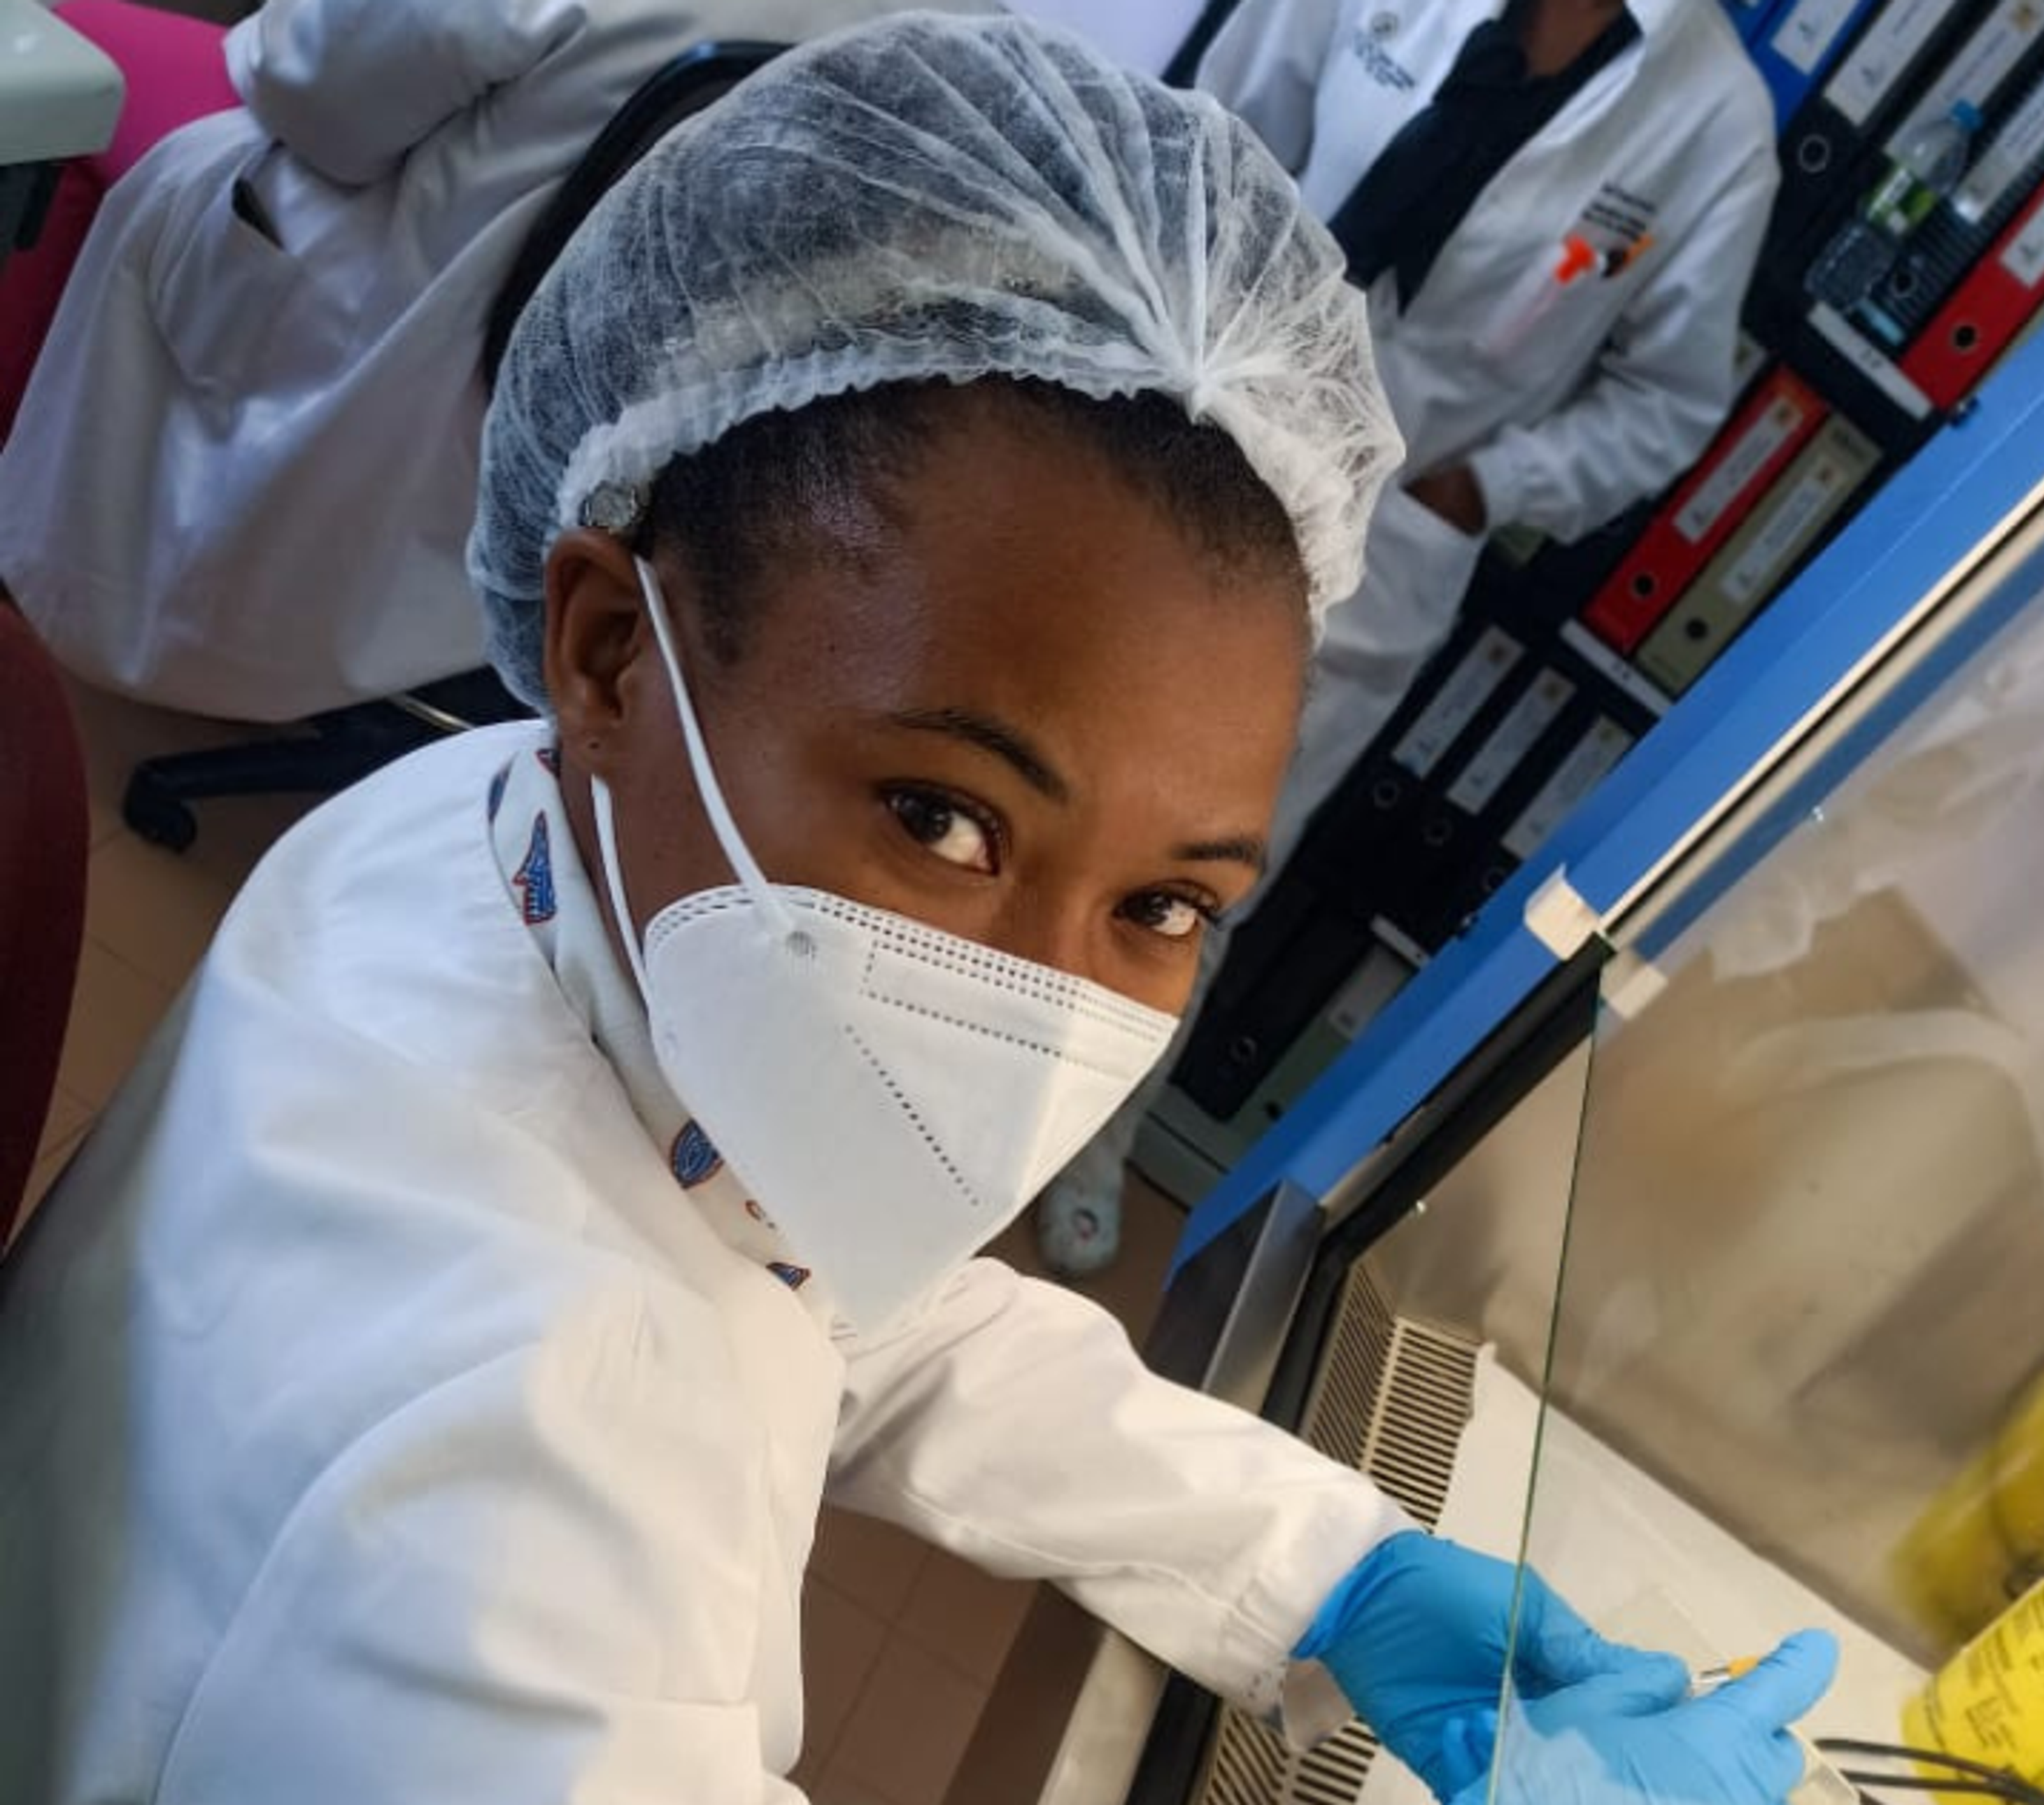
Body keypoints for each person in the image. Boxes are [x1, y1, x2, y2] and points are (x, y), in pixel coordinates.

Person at [0, 17, 1833, 1801]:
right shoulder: (509, 1536)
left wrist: (1331, 1569)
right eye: (946, 820)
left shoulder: (523, 845)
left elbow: (840, 1290)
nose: (1036, 1010)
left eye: (1165, 905)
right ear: (610, 644)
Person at [1035, 0, 1781, 1274]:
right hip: (1191, 399)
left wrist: (1482, 490)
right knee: (1034, 723)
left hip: (1388, 521)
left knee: (1214, 854)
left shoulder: (1718, 124)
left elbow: (1666, 401)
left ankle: (1088, 1129)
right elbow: (1216, 127)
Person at [0, 0, 991, 724]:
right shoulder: (981, 49)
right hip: (659, 449)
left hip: (399, 359)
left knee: (92, 50)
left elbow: (319, 104)